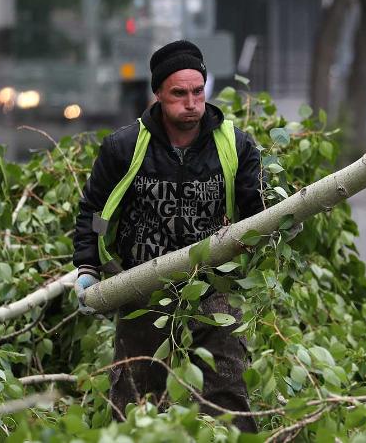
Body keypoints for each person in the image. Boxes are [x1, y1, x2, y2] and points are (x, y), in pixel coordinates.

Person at [71, 40, 264, 433]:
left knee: (228, 403)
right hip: (143, 289)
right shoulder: (124, 148)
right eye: (179, 93)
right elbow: (97, 213)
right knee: (133, 405)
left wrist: (275, 226)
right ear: (158, 93)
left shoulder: (236, 145)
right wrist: (89, 264)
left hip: (212, 287)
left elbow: (255, 209)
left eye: (198, 91)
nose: (191, 102)